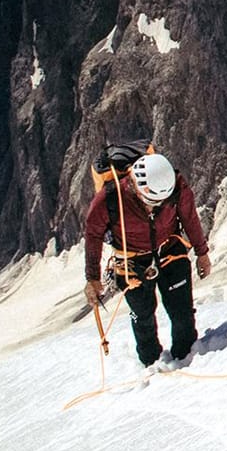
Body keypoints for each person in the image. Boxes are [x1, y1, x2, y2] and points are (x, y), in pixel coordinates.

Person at [82, 152, 214, 370]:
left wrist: (202, 253)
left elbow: (189, 217)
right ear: (136, 187)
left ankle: (188, 357)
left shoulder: (176, 186)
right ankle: (150, 365)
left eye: (160, 202)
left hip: (170, 250)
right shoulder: (110, 198)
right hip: (132, 263)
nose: (154, 208)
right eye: (151, 202)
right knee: (142, 318)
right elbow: (93, 234)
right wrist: (92, 278)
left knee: (182, 312)